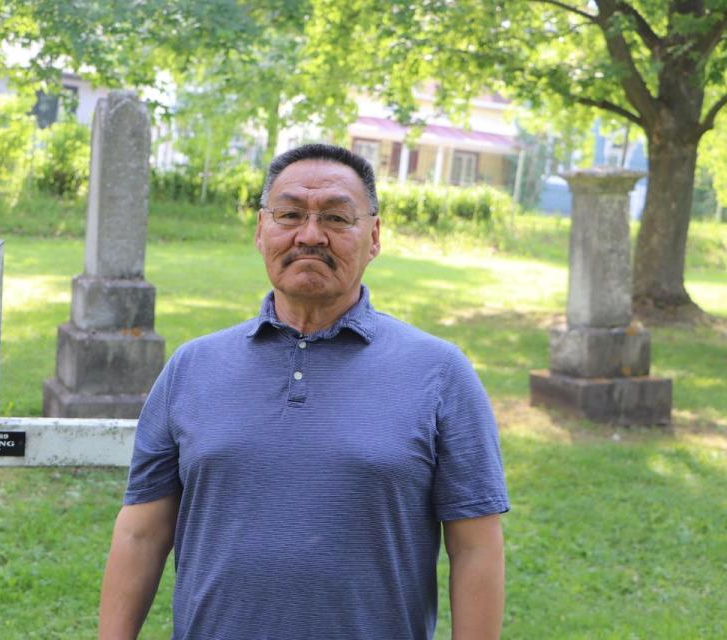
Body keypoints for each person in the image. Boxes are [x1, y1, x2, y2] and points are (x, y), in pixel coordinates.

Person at [98, 143, 509, 640]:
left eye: (337, 218)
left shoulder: (441, 373)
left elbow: (476, 548)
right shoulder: (192, 367)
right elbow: (142, 533)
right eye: (289, 214)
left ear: (373, 236)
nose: (310, 236)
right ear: (260, 230)